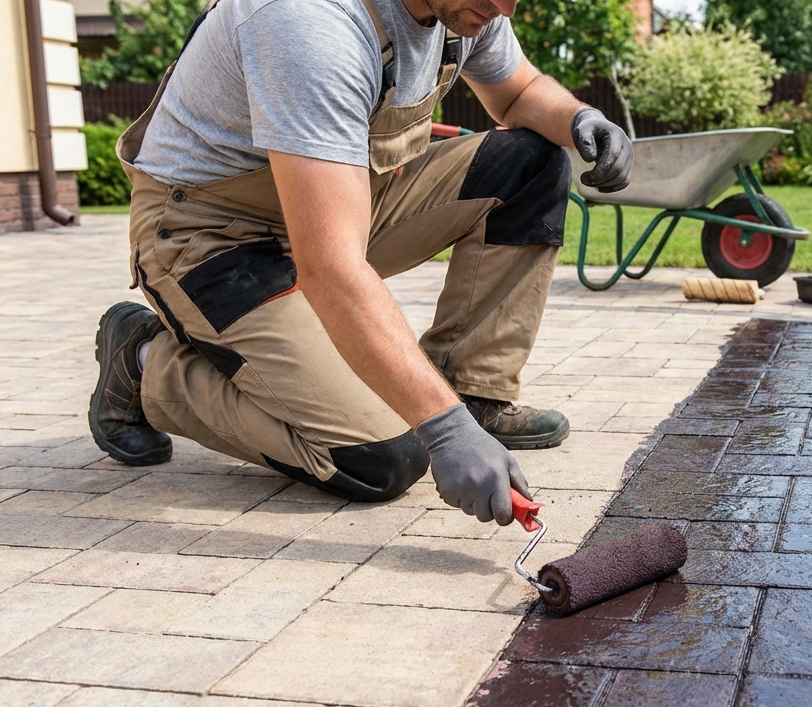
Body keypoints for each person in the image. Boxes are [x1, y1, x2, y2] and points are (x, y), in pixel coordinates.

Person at [86, 0, 633, 526]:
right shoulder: (310, 20)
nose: (505, 7)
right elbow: (332, 271)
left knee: (531, 163)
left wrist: (580, 116)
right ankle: (142, 364)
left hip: (335, 207)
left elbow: (518, 94)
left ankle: (473, 393)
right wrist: (441, 430)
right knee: (384, 456)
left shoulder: (470, 10)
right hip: (211, 236)